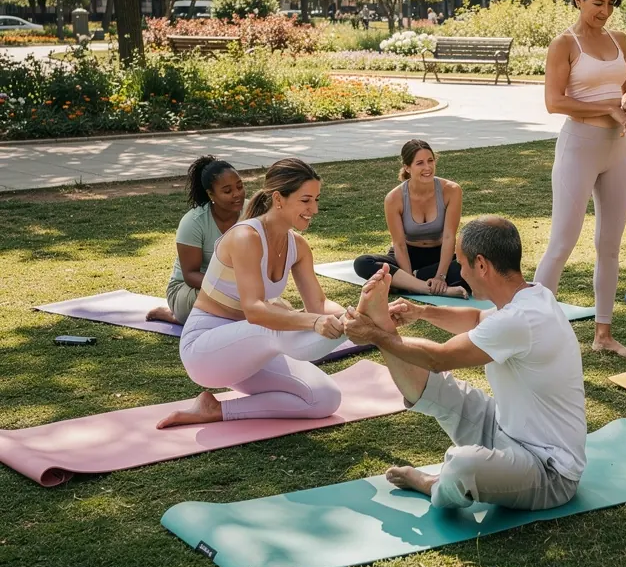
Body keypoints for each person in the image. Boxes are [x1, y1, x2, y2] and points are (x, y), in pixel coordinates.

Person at [342, 217, 587, 510]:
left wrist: (374, 335)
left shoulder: (521, 320)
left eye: (461, 263)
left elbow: (438, 358)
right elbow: (474, 318)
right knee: (440, 391)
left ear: (481, 265)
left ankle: (434, 484)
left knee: (461, 466)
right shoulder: (532, 296)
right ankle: (384, 326)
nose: (460, 271)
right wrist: (420, 312)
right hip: (504, 428)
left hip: (548, 471)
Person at [156, 158, 348, 429]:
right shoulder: (246, 237)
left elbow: (319, 303)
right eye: (306, 200)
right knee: (274, 319)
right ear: (279, 199)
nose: (314, 209)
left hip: (250, 351)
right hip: (205, 351)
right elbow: (255, 311)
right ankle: (353, 327)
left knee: (325, 398)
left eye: (316, 199)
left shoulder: (299, 246)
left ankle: (214, 410)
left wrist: (359, 313)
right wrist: (314, 321)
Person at [534, 0, 626, 359]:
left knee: (610, 246)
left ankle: (603, 334)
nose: (605, 11)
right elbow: (554, 102)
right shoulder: (564, 44)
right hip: (578, 148)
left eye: (611, 4)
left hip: (616, 149)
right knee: (562, 244)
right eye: (598, 3)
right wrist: (607, 107)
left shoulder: (619, 39)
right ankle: (533, 331)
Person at [353, 139, 470, 298]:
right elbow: (399, 244)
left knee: (474, 266)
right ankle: (426, 286)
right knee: (362, 263)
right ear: (407, 167)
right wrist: (409, 279)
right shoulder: (394, 198)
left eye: (430, 161)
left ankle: (397, 282)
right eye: (420, 163)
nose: (427, 168)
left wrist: (440, 276)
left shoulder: (451, 190)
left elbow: (449, 237)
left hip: (441, 255)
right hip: (406, 256)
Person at [146, 155, 246, 326]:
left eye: (240, 186)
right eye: (228, 191)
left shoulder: (253, 213)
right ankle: (175, 315)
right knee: (242, 311)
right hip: (191, 289)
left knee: (253, 306)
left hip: (239, 287)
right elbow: (190, 275)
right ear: (210, 194)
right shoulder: (193, 222)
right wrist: (229, 287)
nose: (237, 194)